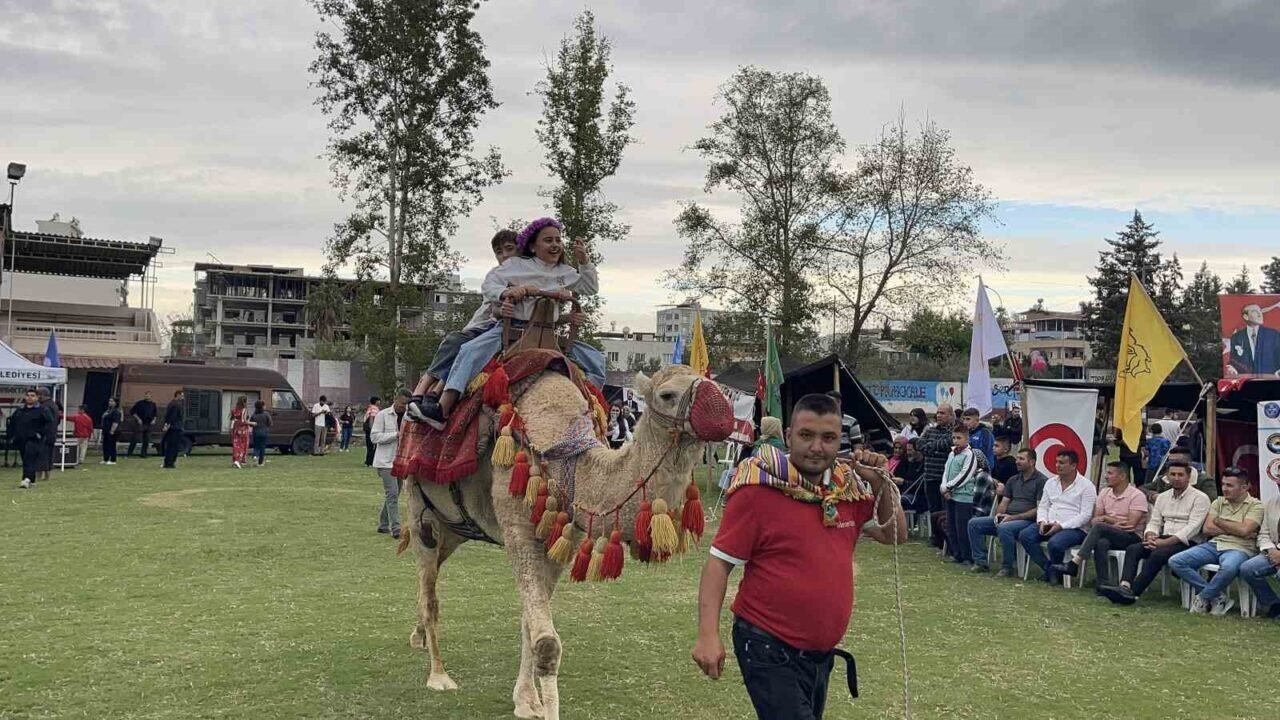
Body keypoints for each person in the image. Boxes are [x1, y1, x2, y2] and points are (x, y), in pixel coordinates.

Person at [692, 393, 905, 720]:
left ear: (840, 440)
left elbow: (894, 535)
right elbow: (719, 564)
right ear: (789, 436)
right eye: (806, 435)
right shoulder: (758, 489)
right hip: (766, 644)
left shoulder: (846, 489)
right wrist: (708, 634)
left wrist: (879, 483)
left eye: (828, 438)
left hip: (819, 655)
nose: (816, 447)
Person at [421, 218, 606, 426]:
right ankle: (443, 407)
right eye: (548, 240)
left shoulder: (565, 272)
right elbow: (490, 285)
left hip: (549, 334)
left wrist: (584, 262)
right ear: (533, 247)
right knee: (469, 351)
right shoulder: (516, 266)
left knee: (597, 360)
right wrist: (507, 292)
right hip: (513, 331)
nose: (555, 245)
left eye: (558, 240)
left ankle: (590, 414)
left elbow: (590, 288)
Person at [408, 230, 520, 426]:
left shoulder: (536, 273)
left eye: (509, 249)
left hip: (521, 329)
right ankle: (429, 395)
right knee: (459, 345)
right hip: (491, 326)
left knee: (463, 346)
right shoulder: (496, 276)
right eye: (499, 252)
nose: (505, 255)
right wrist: (502, 309)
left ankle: (431, 395)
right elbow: (494, 308)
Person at [1099, 461, 1212, 606]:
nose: (1176, 478)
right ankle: (1124, 586)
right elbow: (1155, 521)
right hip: (1163, 538)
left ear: (1188, 477)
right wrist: (1150, 535)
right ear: (1167, 476)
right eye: (1173, 474)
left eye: (1180, 475)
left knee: (1158, 554)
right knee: (1134, 549)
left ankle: (1133, 593)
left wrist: (1165, 542)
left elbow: (1193, 528)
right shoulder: (1163, 497)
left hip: (1188, 542)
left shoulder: (1200, 498)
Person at [1169, 469, 1264, 615]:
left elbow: (1244, 530)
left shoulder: (1256, 505)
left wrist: (1219, 522)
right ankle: (1218, 597)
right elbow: (1208, 529)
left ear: (1244, 487)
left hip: (1240, 548)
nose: (1225, 488)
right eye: (1223, 484)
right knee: (1176, 561)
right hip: (1214, 544)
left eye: (1230, 485)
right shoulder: (1218, 502)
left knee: (1229, 568)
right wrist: (1236, 528)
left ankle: (1203, 597)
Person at [1051, 462, 1148, 589]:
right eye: (1106, 473)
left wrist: (1107, 519)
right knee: (1101, 542)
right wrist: (1111, 523)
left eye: (1110, 473)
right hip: (1110, 534)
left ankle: (1075, 562)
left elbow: (1130, 524)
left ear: (1123, 476)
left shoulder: (1137, 495)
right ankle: (1103, 584)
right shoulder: (1104, 493)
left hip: (1132, 537)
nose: (1106, 477)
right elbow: (1095, 520)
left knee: (1100, 528)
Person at [1018, 450, 1097, 584]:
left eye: (1062, 463)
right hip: (1049, 523)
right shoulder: (1050, 482)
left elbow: (1086, 515)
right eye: (1057, 462)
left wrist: (1061, 526)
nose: (1057, 465)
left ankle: (1054, 574)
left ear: (1073, 466)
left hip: (1075, 529)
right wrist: (1042, 521)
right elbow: (1043, 506)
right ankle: (1051, 570)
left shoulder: (1087, 486)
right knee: (1025, 535)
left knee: (1055, 543)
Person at [968, 448, 1046, 575]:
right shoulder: (1013, 480)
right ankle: (980, 562)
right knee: (974, 523)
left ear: (1032, 462)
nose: (1017, 461)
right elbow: (1004, 502)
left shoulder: (1041, 481)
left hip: (1027, 521)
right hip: (1008, 518)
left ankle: (1007, 567)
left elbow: (1040, 509)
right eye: (1017, 458)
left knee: (1005, 528)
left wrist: (1013, 518)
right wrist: (999, 515)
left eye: (1021, 459)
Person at [1238, 466, 1280, 619]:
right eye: (1279, 479)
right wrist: (1271, 550)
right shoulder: (1272, 502)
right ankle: (1273, 604)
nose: (1279, 483)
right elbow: (1263, 533)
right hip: (1272, 552)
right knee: (1247, 568)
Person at [371, 389, 410, 539]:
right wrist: (395, 435)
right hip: (385, 462)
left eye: (407, 404)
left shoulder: (409, 416)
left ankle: (383, 524)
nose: (404, 406)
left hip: (401, 461)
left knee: (394, 494)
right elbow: (374, 437)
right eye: (402, 403)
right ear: (395, 399)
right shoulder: (382, 415)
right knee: (392, 493)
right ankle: (396, 528)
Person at [917, 404, 957, 551]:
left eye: (943, 413)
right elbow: (919, 444)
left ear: (951, 415)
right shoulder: (930, 430)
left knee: (945, 510)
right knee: (933, 508)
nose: (939, 415)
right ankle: (936, 538)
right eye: (938, 413)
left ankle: (947, 541)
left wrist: (930, 447)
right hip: (930, 476)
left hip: (946, 478)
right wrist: (933, 447)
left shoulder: (954, 431)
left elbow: (947, 443)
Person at [941, 427, 980, 566]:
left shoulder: (970, 455)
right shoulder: (952, 453)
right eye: (954, 438)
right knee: (951, 526)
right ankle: (956, 554)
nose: (956, 441)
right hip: (950, 495)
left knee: (962, 528)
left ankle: (967, 556)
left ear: (967, 439)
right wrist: (943, 487)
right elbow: (946, 471)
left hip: (964, 496)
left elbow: (965, 475)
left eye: (959, 438)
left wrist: (948, 487)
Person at [1144, 446, 1217, 502]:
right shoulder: (1164, 479)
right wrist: (1153, 496)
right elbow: (1142, 489)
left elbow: (1211, 503)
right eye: (1170, 462)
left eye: (1177, 462)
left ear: (1189, 463)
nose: (1173, 465)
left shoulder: (1204, 481)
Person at [1225, 302, 1280, 377]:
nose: (1260, 314)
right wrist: (1232, 368)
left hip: (1270, 380)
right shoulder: (1236, 337)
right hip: (1247, 381)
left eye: (1260, 311)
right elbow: (1234, 361)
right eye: (1255, 311)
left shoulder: (1273, 335)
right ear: (1246, 317)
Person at [14, 389, 51, 489]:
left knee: (29, 459)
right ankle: (32, 480)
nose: (30, 397)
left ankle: (26, 479)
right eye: (28, 395)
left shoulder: (43, 410)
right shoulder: (20, 410)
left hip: (35, 439)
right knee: (25, 460)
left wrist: (41, 434)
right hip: (22, 439)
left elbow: (49, 423)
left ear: (37, 397)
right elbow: (14, 422)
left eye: (32, 395)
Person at [128, 390, 158, 458]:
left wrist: (154, 420)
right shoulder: (140, 403)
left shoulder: (153, 404)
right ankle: (129, 453)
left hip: (148, 424)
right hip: (140, 423)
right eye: (146, 394)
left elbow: (155, 414)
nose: (147, 396)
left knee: (146, 440)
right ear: (144, 395)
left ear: (151, 396)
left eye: (149, 395)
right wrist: (138, 419)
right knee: (135, 438)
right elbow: (132, 412)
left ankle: (143, 454)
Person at [161, 390, 185, 469]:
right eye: (182, 395)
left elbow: (167, 416)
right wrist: (168, 425)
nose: (183, 397)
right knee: (173, 446)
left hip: (173, 427)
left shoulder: (171, 403)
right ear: (177, 395)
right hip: (175, 427)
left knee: (170, 445)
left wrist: (166, 424)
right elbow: (172, 417)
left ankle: (168, 462)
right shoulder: (176, 405)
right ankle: (170, 463)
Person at [230, 396, 251, 469]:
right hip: (243, 429)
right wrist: (252, 423)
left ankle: (235, 460)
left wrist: (231, 429)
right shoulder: (244, 410)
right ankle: (240, 460)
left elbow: (232, 420)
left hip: (235, 428)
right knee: (243, 445)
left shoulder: (234, 410)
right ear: (245, 402)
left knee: (236, 444)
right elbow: (243, 420)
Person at [249, 400, 272, 467]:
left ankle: (255, 456)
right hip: (264, 432)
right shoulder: (266, 414)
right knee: (262, 447)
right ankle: (260, 462)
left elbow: (250, 424)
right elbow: (270, 423)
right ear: (262, 406)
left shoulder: (254, 415)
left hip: (256, 433)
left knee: (256, 446)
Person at [100, 398, 121, 465]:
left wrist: (112, 430)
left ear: (115, 403)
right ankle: (105, 459)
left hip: (112, 431)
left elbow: (116, 422)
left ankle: (113, 460)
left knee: (111, 445)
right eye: (109, 401)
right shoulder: (108, 410)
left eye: (112, 401)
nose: (110, 402)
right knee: (105, 445)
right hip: (105, 430)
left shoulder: (116, 411)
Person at [362, 396, 380, 467]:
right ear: (376, 401)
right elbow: (372, 418)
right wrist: (372, 429)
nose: (380, 402)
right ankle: (371, 461)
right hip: (371, 429)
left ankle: (368, 461)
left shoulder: (369, 407)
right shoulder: (374, 408)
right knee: (373, 446)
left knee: (369, 446)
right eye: (378, 400)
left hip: (367, 429)